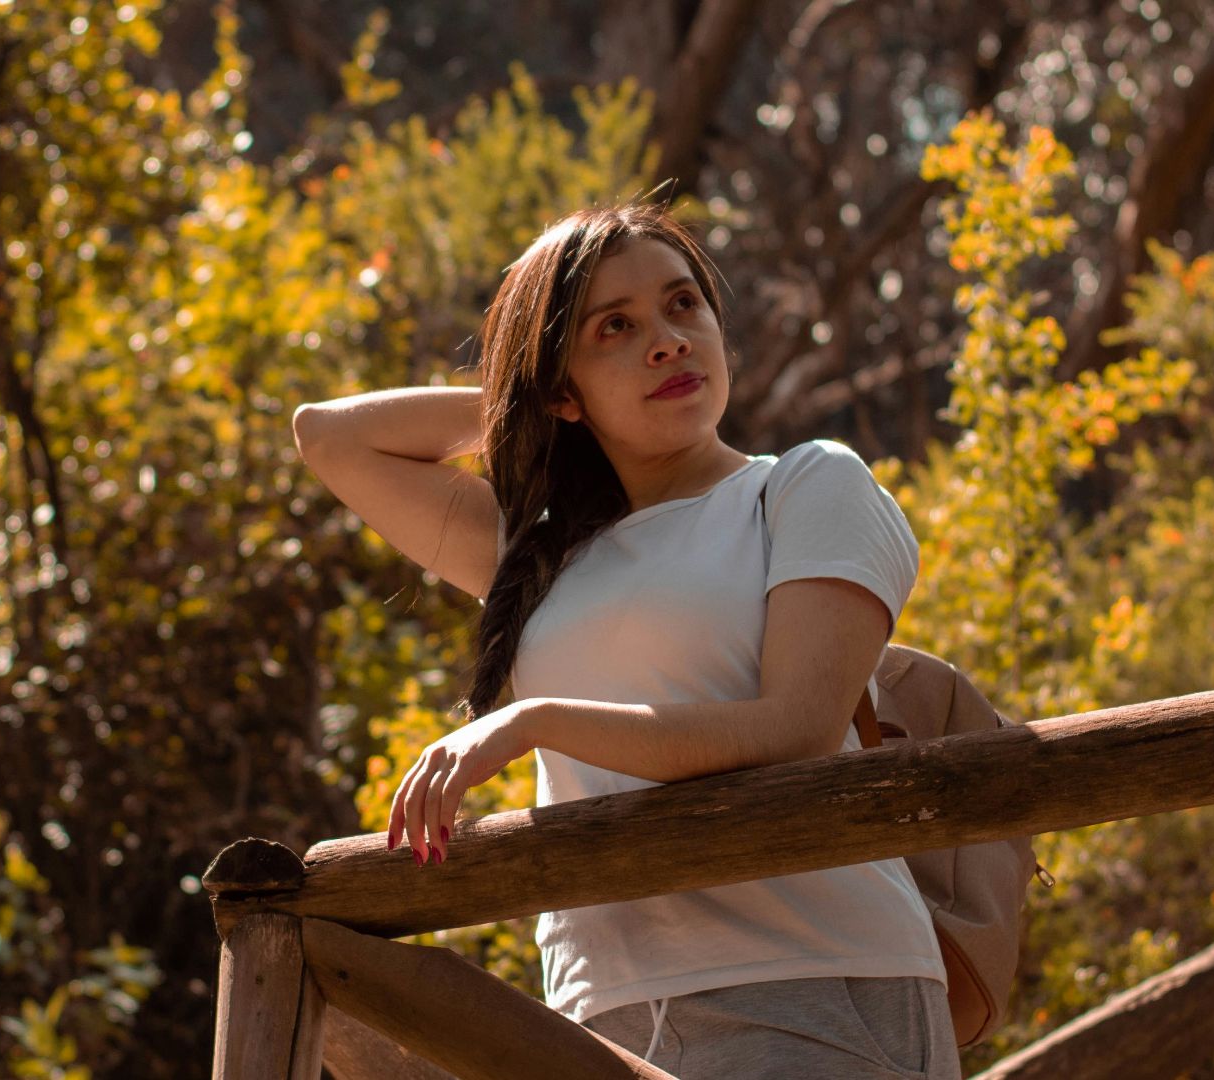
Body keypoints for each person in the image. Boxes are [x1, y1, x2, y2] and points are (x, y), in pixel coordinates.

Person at [290, 203, 960, 1079]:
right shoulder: (535, 551)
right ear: (562, 389)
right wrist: (540, 400)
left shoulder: (806, 487)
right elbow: (328, 435)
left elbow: (794, 726)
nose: (669, 340)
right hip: (597, 1010)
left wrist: (532, 723)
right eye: (618, 327)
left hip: (818, 980)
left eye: (684, 306)